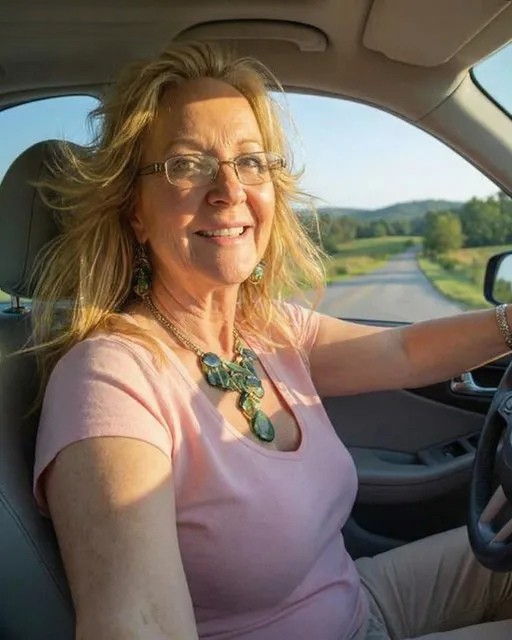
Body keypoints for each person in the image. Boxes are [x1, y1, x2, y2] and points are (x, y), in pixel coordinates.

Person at [30, 41, 512, 640]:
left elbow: (403, 352)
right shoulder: (109, 380)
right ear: (135, 211)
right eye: (187, 164)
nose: (230, 190)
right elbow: (139, 625)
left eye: (251, 161)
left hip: (359, 602)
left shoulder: (268, 329)